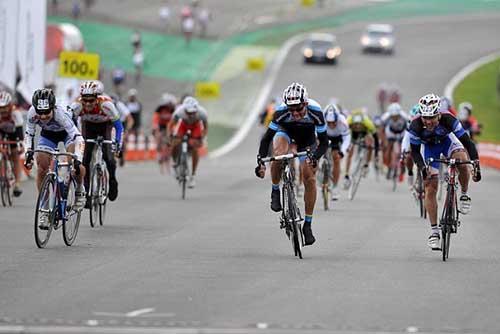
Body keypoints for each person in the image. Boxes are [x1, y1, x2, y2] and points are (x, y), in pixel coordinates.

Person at [255, 83, 328, 246]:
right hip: (285, 133)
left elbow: (324, 143)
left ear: (306, 104)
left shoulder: (316, 112)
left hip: (307, 140)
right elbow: (266, 139)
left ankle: (307, 225)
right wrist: (260, 161)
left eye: (298, 108)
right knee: (279, 156)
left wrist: (315, 157)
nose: (295, 113)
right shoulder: (280, 112)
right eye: (291, 109)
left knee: (309, 177)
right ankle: (275, 191)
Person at [408, 94, 481, 250]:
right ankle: (434, 232)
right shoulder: (415, 125)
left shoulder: (449, 119)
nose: (428, 122)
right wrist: (422, 167)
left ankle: (464, 194)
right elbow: (414, 152)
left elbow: (468, 143)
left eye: (432, 117)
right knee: (430, 187)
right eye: (425, 117)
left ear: (439, 114)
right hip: (429, 149)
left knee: (461, 160)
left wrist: (476, 164)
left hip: (448, 142)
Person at [24, 89, 86, 228]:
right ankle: (45, 210)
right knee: (41, 167)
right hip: (48, 135)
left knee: (73, 164)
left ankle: (79, 190)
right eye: (41, 113)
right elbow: (29, 134)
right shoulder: (32, 113)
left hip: (68, 133)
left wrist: (78, 159)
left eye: (47, 112)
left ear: (53, 107)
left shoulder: (61, 114)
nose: (44, 116)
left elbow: (79, 139)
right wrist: (27, 152)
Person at [70, 81, 123, 207]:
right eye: (85, 100)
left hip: (105, 127)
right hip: (88, 127)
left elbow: (119, 126)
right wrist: (76, 139)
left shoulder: (107, 105)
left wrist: (118, 142)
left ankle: (112, 180)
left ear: (97, 98)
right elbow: (71, 125)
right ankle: (87, 190)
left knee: (109, 158)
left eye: (91, 100)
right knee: (85, 158)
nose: (87, 103)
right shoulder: (77, 105)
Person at [168, 96, 208, 188]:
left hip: (195, 126)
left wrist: (202, 137)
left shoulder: (202, 113)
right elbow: (170, 125)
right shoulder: (179, 112)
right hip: (183, 125)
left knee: (195, 148)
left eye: (193, 112)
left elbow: (205, 128)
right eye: (188, 112)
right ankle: (175, 164)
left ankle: (193, 176)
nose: (190, 115)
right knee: (175, 142)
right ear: (184, 109)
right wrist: (170, 136)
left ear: (197, 110)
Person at [343, 108, 379, 189]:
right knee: (350, 151)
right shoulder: (348, 122)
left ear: (362, 123)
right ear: (352, 124)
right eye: (356, 125)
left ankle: (366, 165)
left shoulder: (368, 123)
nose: (358, 127)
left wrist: (376, 153)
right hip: (352, 134)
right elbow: (343, 134)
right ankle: (346, 174)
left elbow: (376, 139)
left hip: (365, 133)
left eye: (359, 125)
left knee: (369, 144)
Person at [323, 104, 351, 200]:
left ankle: (334, 187)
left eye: (333, 122)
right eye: (329, 122)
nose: (331, 125)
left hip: (337, 138)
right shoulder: (321, 119)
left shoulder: (342, 121)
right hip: (324, 136)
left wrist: (342, 151)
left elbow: (347, 138)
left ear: (337, 119)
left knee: (336, 158)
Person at [0, 91, 24, 197]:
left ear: (10, 105)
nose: (3, 110)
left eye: (5, 107)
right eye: (1, 107)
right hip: (1, 131)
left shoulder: (16, 113)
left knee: (15, 154)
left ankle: (17, 184)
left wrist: (20, 145)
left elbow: (20, 134)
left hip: (14, 132)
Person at [380, 102, 409, 180]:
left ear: (399, 114)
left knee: (403, 150)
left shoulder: (405, 117)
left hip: (402, 132)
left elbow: (409, 130)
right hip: (391, 132)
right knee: (388, 148)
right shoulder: (385, 118)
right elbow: (382, 130)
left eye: (396, 116)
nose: (395, 118)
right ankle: (389, 166)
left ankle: (402, 168)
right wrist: (383, 141)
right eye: (393, 116)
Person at [152, 93, 177, 173]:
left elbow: (176, 121)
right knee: (158, 135)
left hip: (169, 126)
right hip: (161, 126)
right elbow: (155, 118)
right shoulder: (160, 108)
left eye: (171, 104)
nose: (170, 106)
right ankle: (159, 150)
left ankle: (169, 155)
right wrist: (155, 126)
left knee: (171, 140)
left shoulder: (174, 110)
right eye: (169, 104)